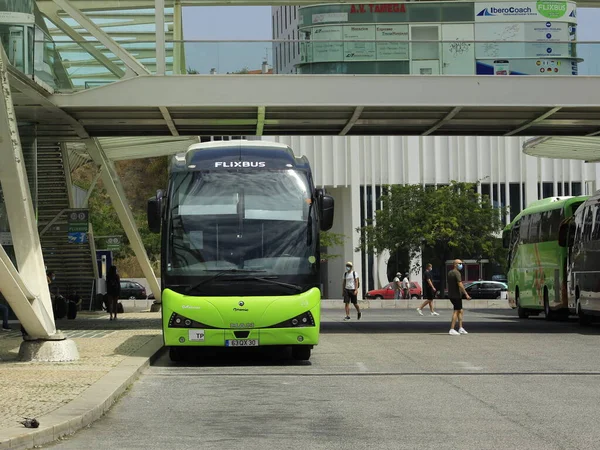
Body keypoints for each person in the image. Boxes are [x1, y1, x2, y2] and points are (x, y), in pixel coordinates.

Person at [447, 259, 471, 335]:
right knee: (456, 311)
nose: (461, 265)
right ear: (455, 264)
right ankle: (452, 329)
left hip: (451, 294)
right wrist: (466, 294)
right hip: (456, 295)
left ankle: (460, 328)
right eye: (460, 263)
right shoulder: (457, 273)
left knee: (460, 310)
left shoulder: (450, 272)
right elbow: (460, 284)